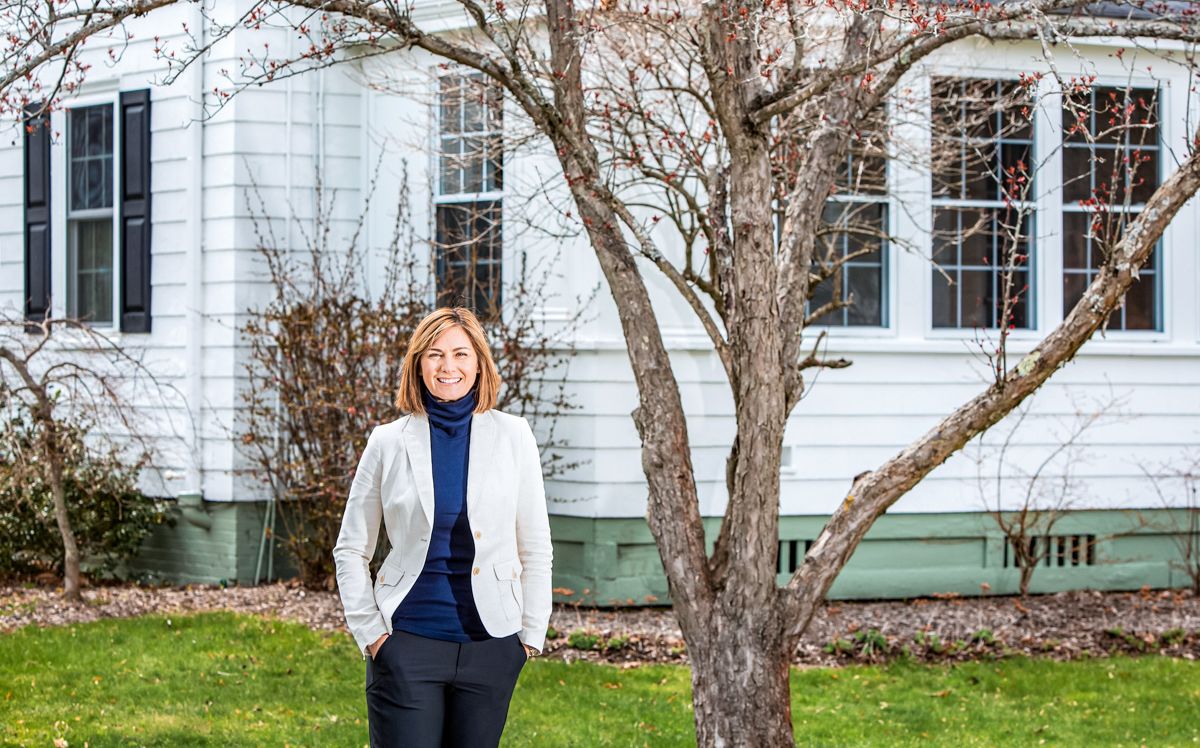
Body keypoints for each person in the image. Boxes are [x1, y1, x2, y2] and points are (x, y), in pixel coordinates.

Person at [333, 306, 553, 748]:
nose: (448, 367)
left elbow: (535, 546)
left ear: (479, 362)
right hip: (408, 642)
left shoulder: (515, 436)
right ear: (418, 364)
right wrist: (373, 635)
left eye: (460, 354)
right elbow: (351, 549)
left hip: (492, 646)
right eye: (434, 355)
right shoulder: (388, 441)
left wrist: (529, 636)